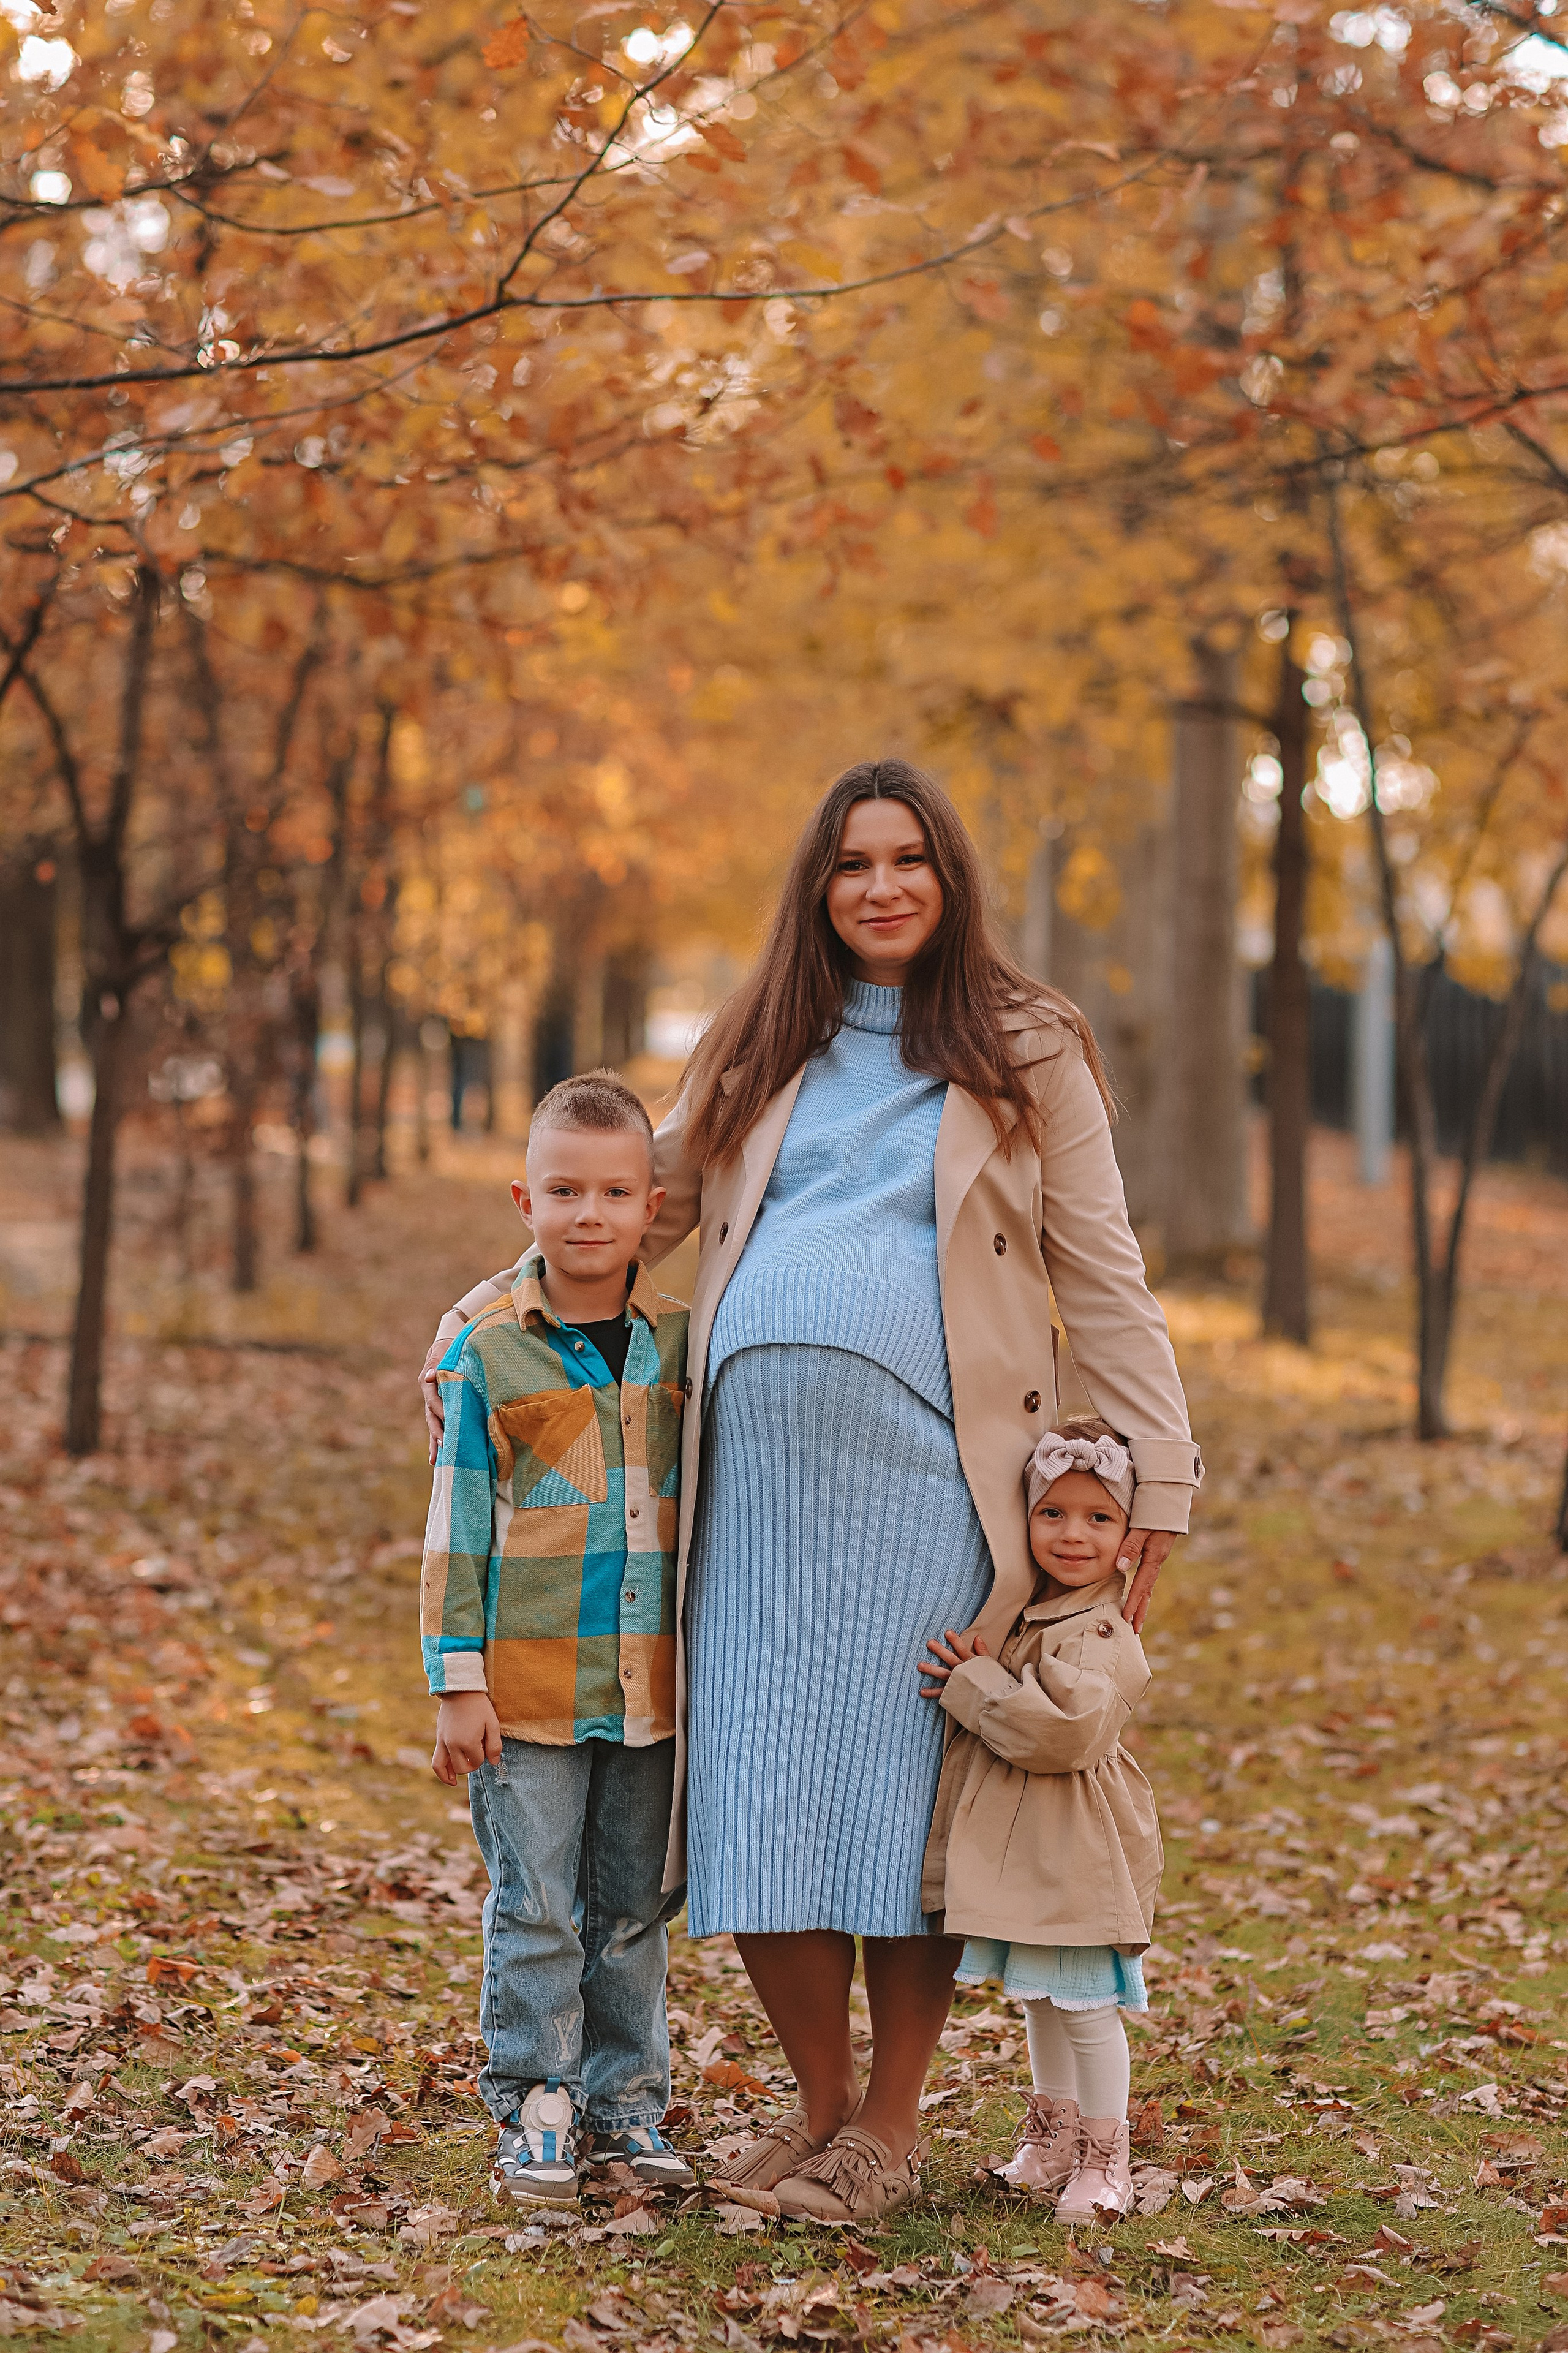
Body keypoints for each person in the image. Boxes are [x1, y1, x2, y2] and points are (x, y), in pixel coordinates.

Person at [420, 759, 1202, 2226]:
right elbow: (625, 1199)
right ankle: (819, 2110)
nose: (881, 885)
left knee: (896, 1804)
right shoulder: (761, 1030)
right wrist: (491, 1310)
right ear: (819, 886)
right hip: (750, 1488)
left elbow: (1101, 1266)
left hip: (930, 1477)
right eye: (852, 862)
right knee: (758, 1796)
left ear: (948, 876)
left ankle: (889, 2127)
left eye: (908, 858)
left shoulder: (1026, 1043)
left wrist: (1155, 1467)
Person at [421, 1070, 696, 2209]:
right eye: (565, 1190)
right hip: (526, 1687)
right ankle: (539, 2102)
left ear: (652, 1204)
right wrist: (457, 1681)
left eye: (615, 1192)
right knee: (537, 1903)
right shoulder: (488, 1353)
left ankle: (629, 2107)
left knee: (633, 1906)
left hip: (651, 1688)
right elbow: (457, 1529)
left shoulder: (683, 1344)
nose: (590, 1214)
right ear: (522, 1200)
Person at [917, 1416, 1165, 2222]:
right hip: (1035, 1846)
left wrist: (976, 1684)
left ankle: (1106, 2156)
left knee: (1086, 2002)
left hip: (1078, 1849)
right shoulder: (1034, 1611)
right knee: (1041, 1996)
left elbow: (1063, 1733)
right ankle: (1052, 2134)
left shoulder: (1100, 1631)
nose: (1073, 1533)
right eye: (1053, 1512)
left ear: (1130, 1539)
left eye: (1099, 1518)